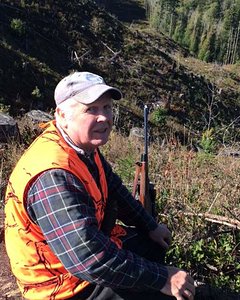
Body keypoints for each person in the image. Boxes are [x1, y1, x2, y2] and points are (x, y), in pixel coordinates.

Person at [5, 71, 195, 300]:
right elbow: (88, 259)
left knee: (152, 247)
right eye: (91, 109)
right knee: (159, 292)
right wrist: (162, 278)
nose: (104, 117)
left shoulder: (81, 147)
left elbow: (112, 185)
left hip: (83, 254)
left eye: (106, 108)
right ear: (62, 115)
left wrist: (150, 226)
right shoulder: (53, 175)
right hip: (61, 284)